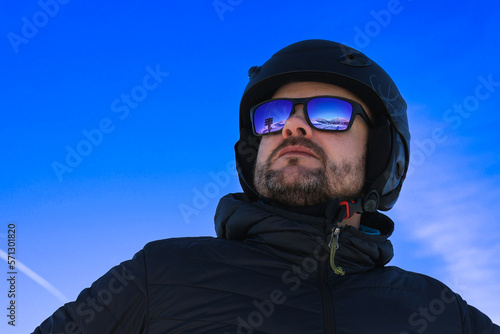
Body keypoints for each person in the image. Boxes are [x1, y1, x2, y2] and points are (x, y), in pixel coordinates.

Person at [33, 39, 499, 334]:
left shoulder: (439, 313)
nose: (292, 128)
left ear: (382, 154)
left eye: (328, 114)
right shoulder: (158, 277)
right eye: (273, 117)